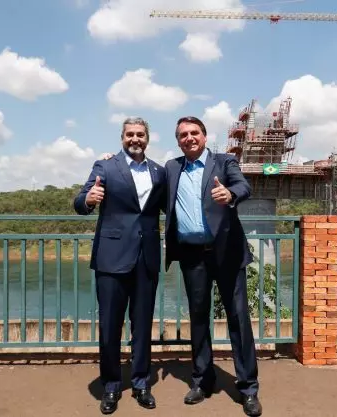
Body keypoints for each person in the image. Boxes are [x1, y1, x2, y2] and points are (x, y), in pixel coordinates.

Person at [163, 116, 262, 416]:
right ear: (178, 141)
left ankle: (248, 388)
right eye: (183, 135)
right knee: (198, 320)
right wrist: (114, 160)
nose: (189, 138)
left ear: (204, 136)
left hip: (227, 254)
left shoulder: (224, 161)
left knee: (238, 320)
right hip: (192, 256)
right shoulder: (171, 168)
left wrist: (230, 194)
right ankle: (202, 381)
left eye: (194, 133)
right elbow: (146, 184)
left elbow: (243, 186)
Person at [73, 117, 166, 415]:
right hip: (111, 257)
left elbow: (170, 206)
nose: (135, 139)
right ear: (122, 137)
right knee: (110, 326)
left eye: (140, 134)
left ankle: (141, 383)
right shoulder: (105, 166)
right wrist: (89, 199)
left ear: (147, 138)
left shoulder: (159, 171)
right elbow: (79, 202)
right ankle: (111, 385)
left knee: (143, 326)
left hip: (146, 258)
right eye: (130, 134)